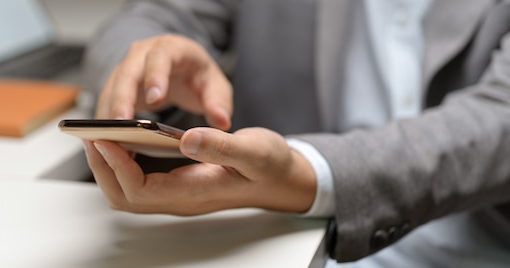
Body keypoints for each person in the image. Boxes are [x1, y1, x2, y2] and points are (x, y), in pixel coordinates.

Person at [80, 0, 510, 266]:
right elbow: (149, 16)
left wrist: (309, 173)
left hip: (483, 244)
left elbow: (499, 119)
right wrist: (144, 67)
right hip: (285, 242)